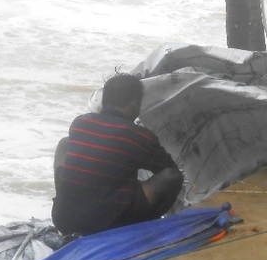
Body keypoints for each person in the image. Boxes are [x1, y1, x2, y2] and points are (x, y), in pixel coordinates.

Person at [51, 73, 184, 236]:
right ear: (135, 103)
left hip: (64, 220)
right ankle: (143, 226)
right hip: (108, 224)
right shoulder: (140, 136)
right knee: (172, 176)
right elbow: (168, 169)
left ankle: (65, 199)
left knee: (65, 143)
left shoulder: (79, 123)